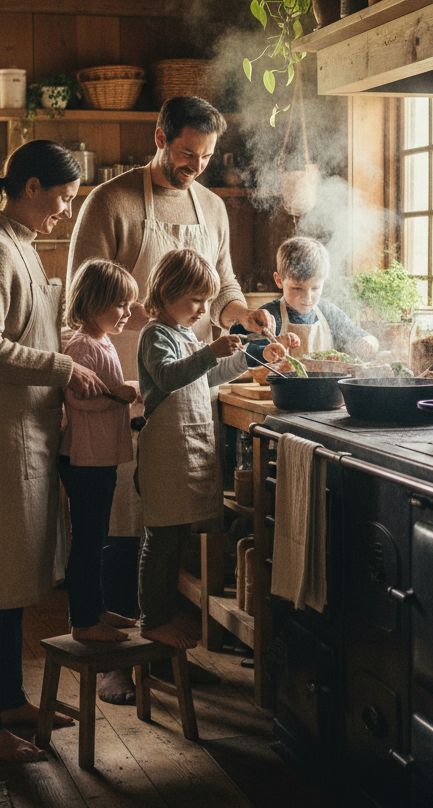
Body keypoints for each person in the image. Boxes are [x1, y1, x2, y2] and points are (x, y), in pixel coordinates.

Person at [66, 94, 275, 702]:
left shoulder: (211, 206)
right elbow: (82, 296)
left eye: (206, 156)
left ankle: (156, 651)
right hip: (121, 373)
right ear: (159, 137)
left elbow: (225, 286)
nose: (196, 166)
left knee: (168, 517)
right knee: (120, 519)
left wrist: (244, 320)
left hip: (187, 375)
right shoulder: (112, 201)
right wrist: (89, 376)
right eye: (186, 153)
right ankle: (114, 656)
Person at [0, 139, 102, 764]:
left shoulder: (21, 245)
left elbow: (25, 335)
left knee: (9, 576)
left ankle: (8, 698)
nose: (67, 209)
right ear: (32, 186)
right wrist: (62, 366)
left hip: (25, 432)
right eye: (64, 197)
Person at [135, 248, 289, 648]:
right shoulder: (155, 335)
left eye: (207, 300)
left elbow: (208, 377)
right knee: (161, 539)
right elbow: (169, 378)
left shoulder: (186, 333)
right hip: (165, 453)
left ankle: (161, 617)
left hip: (184, 450)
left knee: (175, 537)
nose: (204, 309)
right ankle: (152, 620)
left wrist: (251, 357)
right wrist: (210, 351)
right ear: (166, 294)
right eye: (196, 300)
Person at [59, 258, 144, 643]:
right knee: (89, 539)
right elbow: (78, 399)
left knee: (97, 535)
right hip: (85, 457)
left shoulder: (100, 340)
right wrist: (117, 397)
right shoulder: (80, 345)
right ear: (93, 302)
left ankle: (95, 609)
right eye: (120, 304)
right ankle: (82, 621)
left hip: (100, 455)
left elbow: (101, 387)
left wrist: (120, 387)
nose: (127, 312)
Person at [235, 236, 379, 363]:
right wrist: (266, 351)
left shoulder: (328, 312)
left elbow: (361, 336)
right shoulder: (270, 316)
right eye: (297, 288)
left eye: (315, 288)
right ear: (279, 280)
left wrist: (368, 343)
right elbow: (241, 351)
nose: (307, 298)